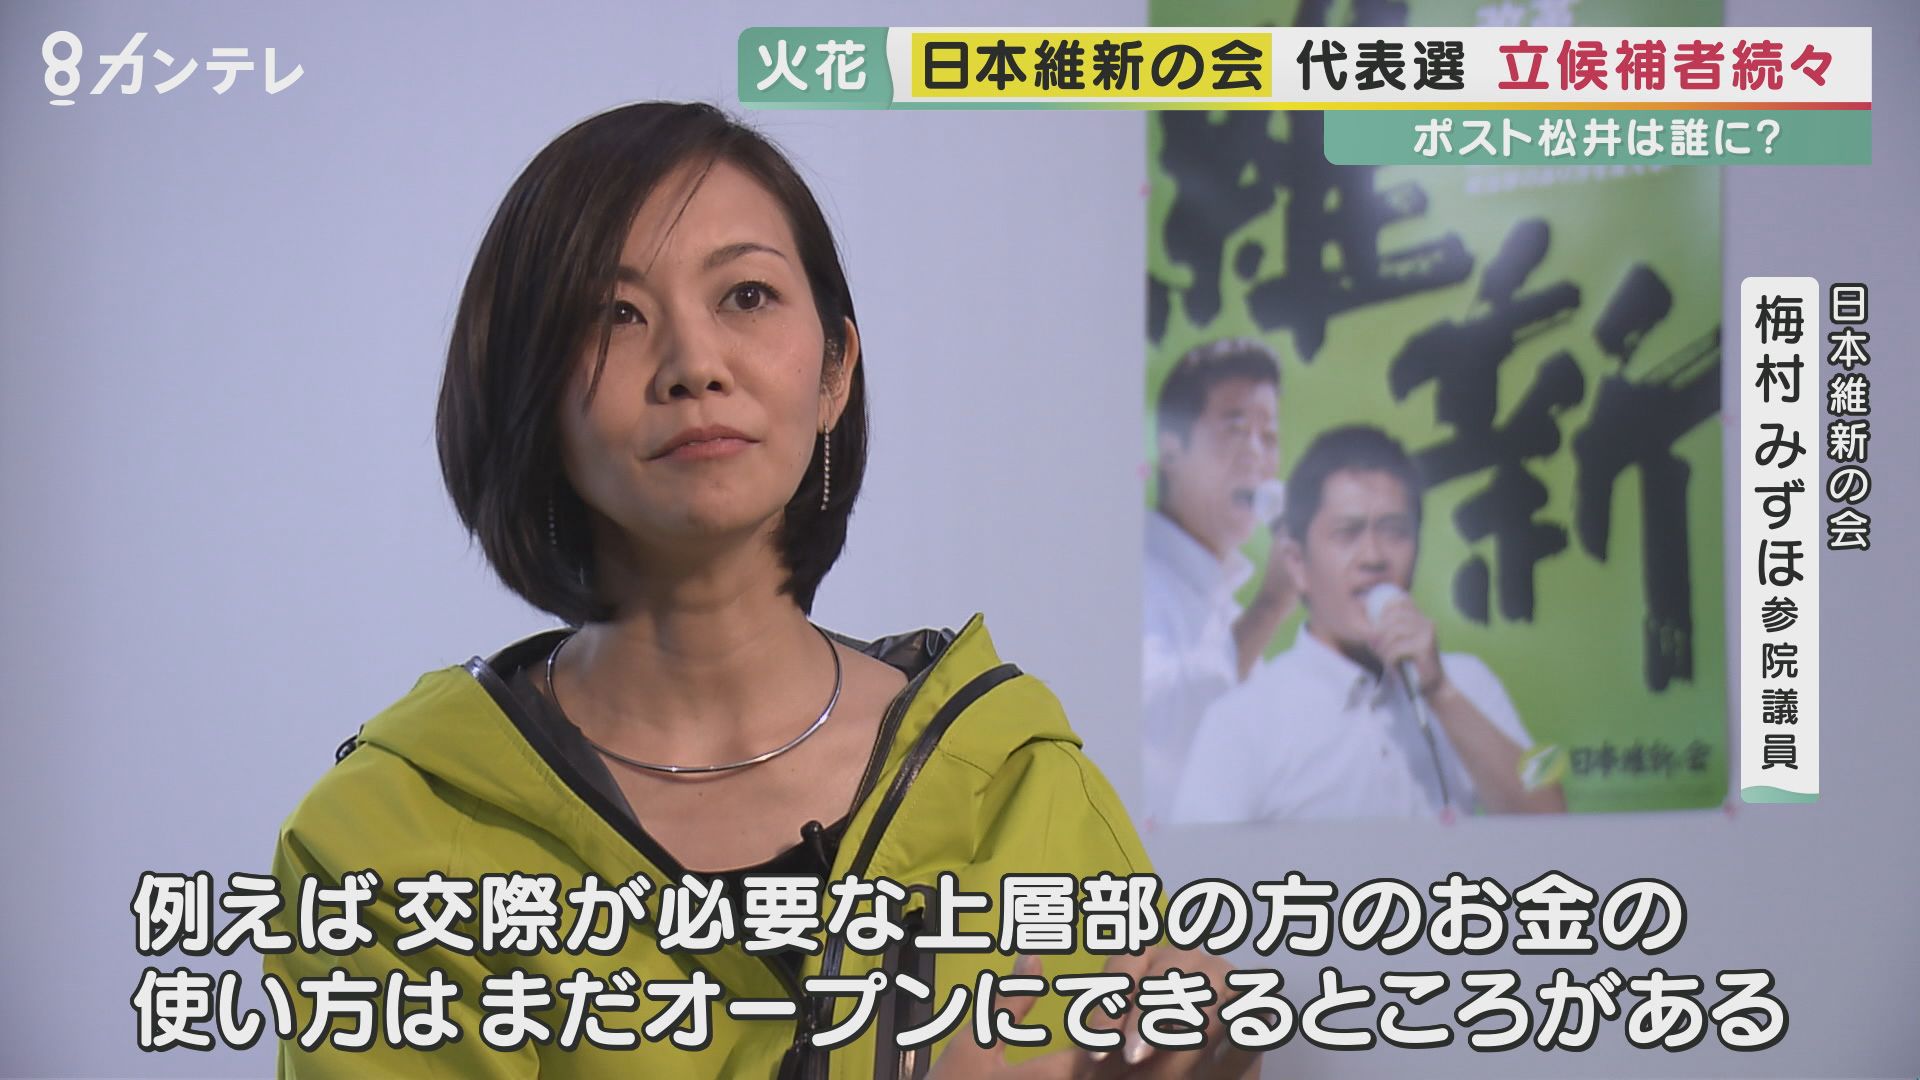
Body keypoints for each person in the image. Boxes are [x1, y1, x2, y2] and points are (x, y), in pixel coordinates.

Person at [265, 102, 1256, 1079]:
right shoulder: (388, 840)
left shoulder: (1017, 782)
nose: (694, 366)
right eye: (615, 315)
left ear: (834, 372)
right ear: (529, 397)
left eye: (745, 296)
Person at [1169, 426, 1566, 823]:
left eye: (1395, 533)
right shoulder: (1244, 720)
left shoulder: (1467, 682)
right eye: (1347, 534)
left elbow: (1552, 820)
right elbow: (1200, 861)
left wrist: (1440, 692)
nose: (1374, 557)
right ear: (1297, 564)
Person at [1142, 340, 1296, 824]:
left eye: (1269, 437)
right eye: (1235, 430)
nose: (1256, 455)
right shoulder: (1132, 580)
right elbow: (1159, 726)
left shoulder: (1226, 609)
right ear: (1171, 450)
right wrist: (1271, 606)